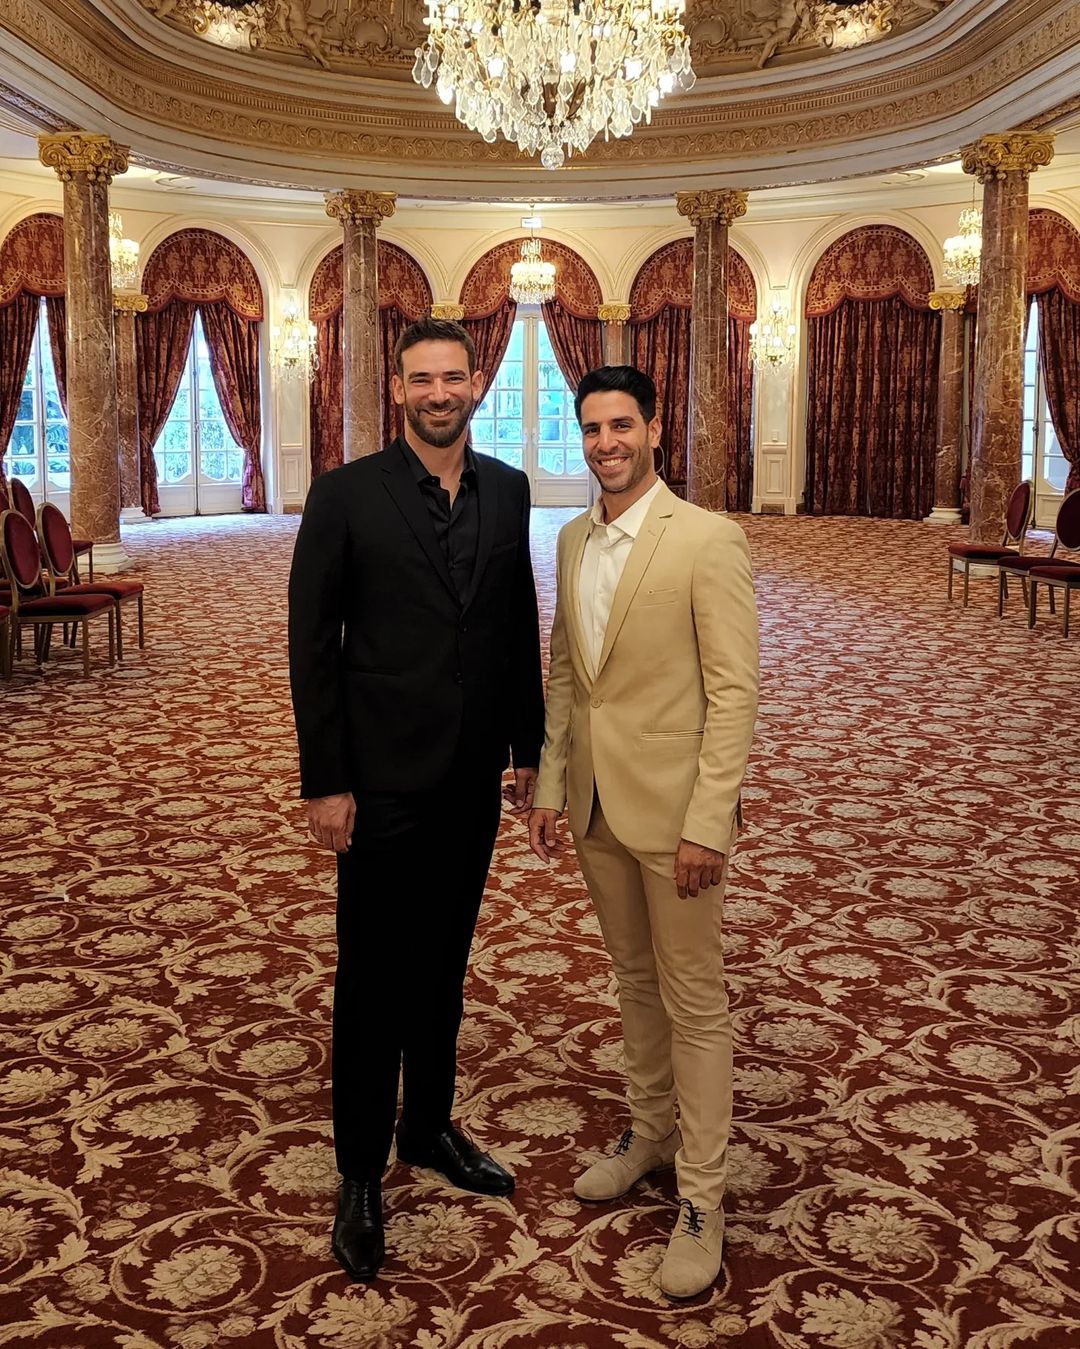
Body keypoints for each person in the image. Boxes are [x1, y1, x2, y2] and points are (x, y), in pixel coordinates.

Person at [288, 317, 544, 1283]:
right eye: (422, 378)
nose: (440, 392)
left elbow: (515, 623)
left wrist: (528, 748)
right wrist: (326, 779)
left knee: (445, 961)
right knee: (373, 977)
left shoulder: (508, 488)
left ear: (476, 383)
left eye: (454, 377)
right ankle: (360, 1171)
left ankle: (428, 1125)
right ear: (399, 389)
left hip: (472, 775)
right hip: (381, 779)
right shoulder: (346, 493)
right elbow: (312, 645)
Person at [528, 365, 759, 1299]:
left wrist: (709, 822)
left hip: (677, 818)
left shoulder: (706, 538)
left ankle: (703, 1197)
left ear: (655, 430)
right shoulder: (571, 537)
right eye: (591, 429)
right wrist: (551, 786)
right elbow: (564, 674)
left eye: (621, 425)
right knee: (632, 981)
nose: (606, 444)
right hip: (594, 806)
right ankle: (651, 1129)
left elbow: (734, 693)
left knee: (693, 999)